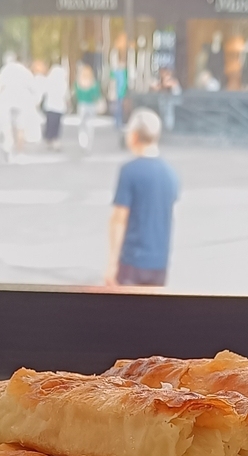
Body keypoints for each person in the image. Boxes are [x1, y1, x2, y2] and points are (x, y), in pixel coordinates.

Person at [104, 108, 179, 289]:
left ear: (134, 136)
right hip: (159, 262)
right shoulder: (171, 174)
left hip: (132, 261)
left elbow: (119, 219)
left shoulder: (129, 171)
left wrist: (112, 263)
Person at [0, 52, 40, 160]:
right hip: (21, 101)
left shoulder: (5, 70)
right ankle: (20, 152)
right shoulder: (25, 71)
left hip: (7, 101)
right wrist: (35, 101)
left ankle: (8, 145)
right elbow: (33, 87)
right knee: (21, 127)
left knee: (7, 126)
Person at [74, 58, 102, 153]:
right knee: (90, 125)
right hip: (91, 106)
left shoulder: (78, 83)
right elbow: (97, 95)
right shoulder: (94, 83)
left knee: (82, 125)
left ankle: (83, 141)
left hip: (82, 105)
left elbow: (77, 95)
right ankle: (89, 144)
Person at [43, 57, 69, 147]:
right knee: (57, 124)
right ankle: (55, 139)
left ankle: (49, 138)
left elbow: (45, 91)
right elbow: (66, 94)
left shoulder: (49, 80)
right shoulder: (63, 83)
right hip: (59, 107)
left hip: (50, 106)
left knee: (50, 123)